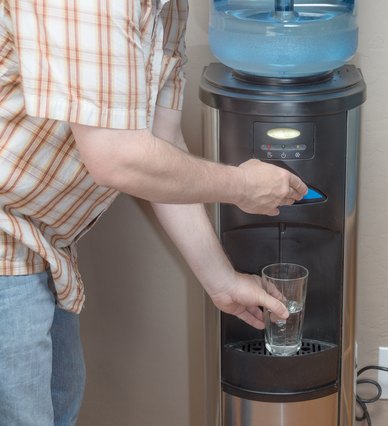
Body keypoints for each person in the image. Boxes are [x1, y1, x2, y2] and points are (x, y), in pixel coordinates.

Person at [0, 0, 307, 424]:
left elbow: (160, 147)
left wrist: (222, 282)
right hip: (5, 239)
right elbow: (118, 157)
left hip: (40, 246)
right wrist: (241, 186)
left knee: (58, 407)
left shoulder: (168, 9)